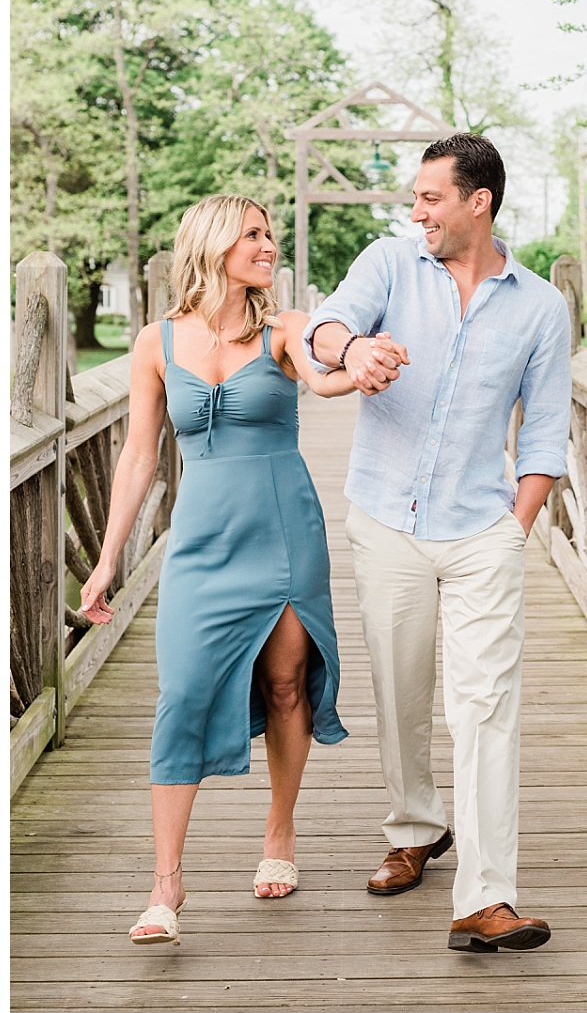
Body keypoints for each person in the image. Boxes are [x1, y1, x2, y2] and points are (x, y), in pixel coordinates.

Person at [81, 194, 384, 946]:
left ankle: (279, 834)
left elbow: (322, 381)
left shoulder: (282, 330)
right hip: (201, 541)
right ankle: (166, 882)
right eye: (254, 233)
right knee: (180, 691)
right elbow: (139, 454)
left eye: (270, 234)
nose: (268, 245)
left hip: (283, 531)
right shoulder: (157, 342)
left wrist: (364, 363)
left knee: (286, 685)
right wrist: (108, 556)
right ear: (214, 243)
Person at [302, 132, 572, 954]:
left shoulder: (539, 306)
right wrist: (354, 350)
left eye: (430, 197)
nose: (415, 211)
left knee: (486, 706)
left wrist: (512, 531)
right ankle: (415, 827)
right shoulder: (389, 263)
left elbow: (546, 433)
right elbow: (322, 327)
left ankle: (487, 896)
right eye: (414, 198)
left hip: (481, 529)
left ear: (477, 202)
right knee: (402, 689)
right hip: (386, 520)